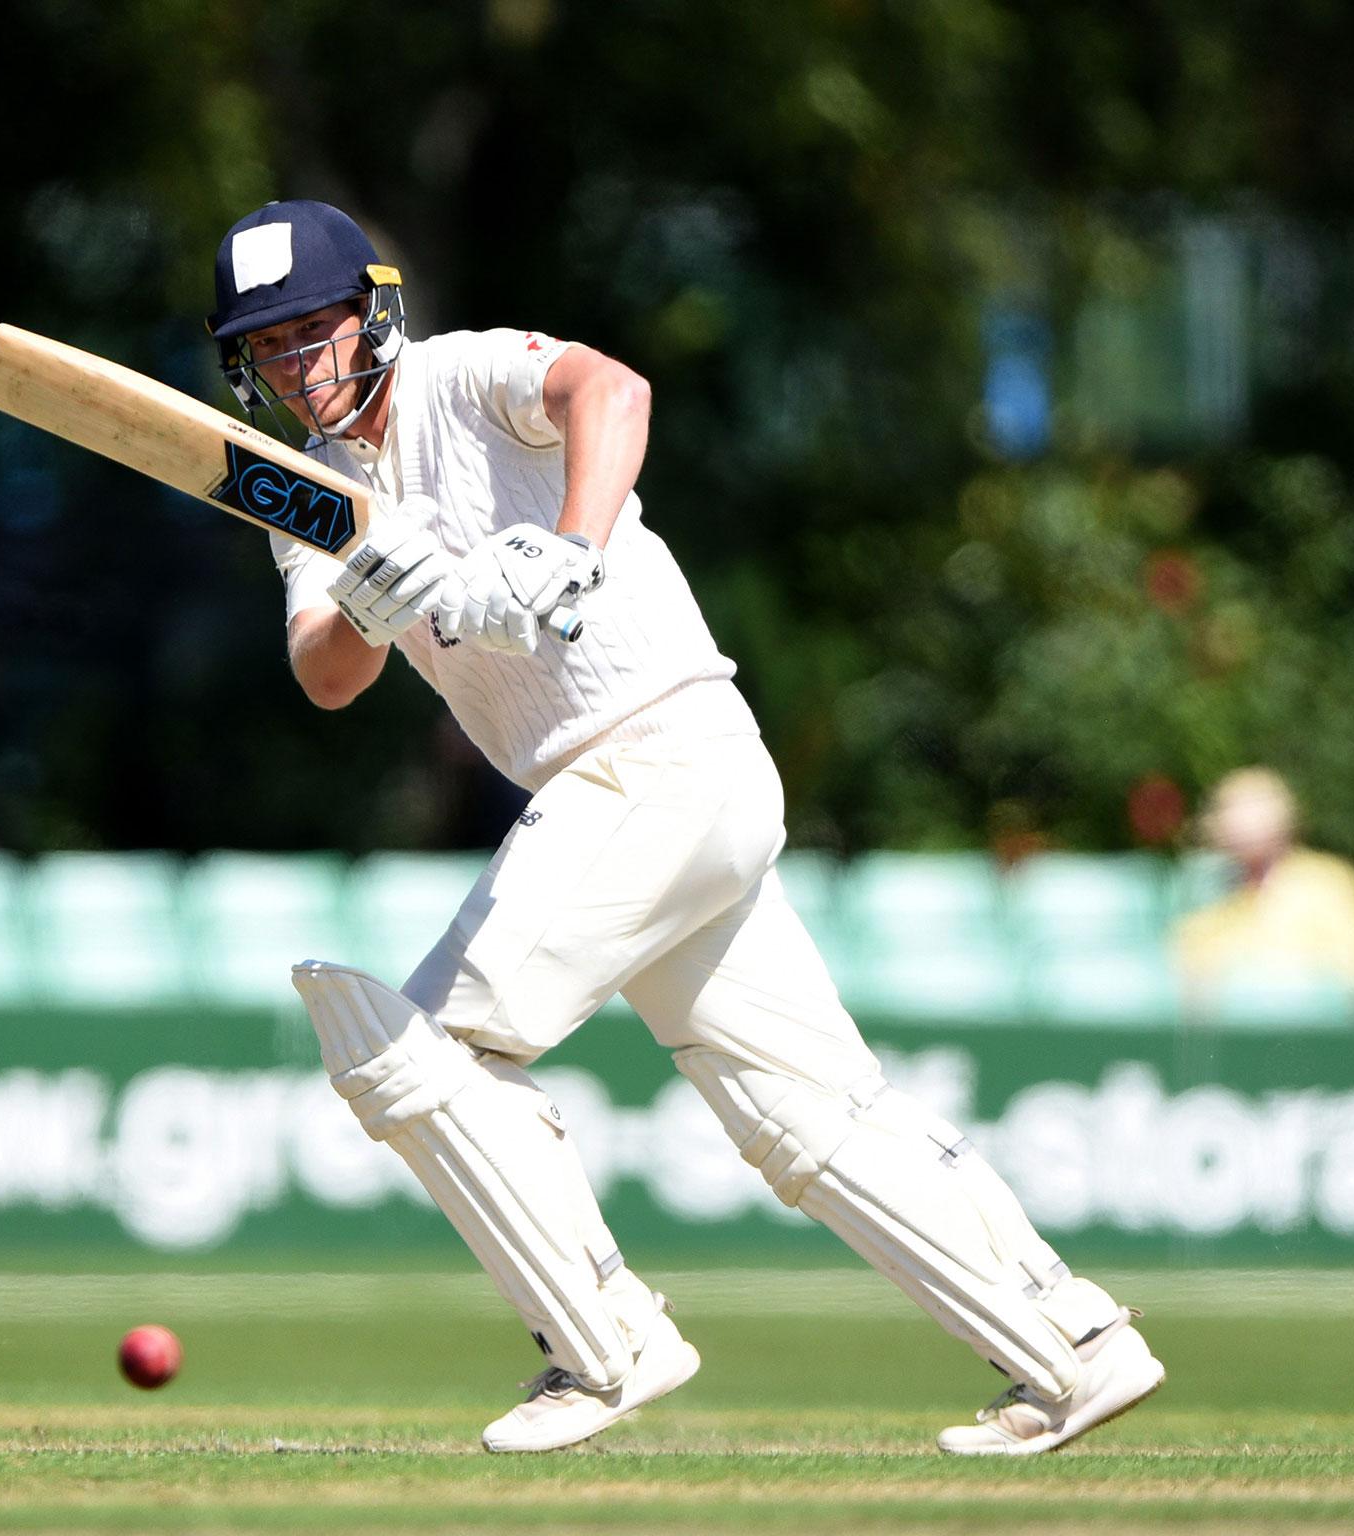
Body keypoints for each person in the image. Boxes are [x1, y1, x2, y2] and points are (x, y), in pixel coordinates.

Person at [208, 198, 1164, 1455]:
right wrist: (372, 603)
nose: (294, 369)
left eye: (310, 334)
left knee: (423, 1051)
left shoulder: (460, 375)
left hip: (657, 753)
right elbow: (324, 675)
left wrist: (566, 550)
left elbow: (613, 389)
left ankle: (605, 1346)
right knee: (804, 1115)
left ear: (371, 317)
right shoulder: (307, 490)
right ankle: (1070, 1346)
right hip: (628, 801)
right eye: (266, 351)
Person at [1176, 767, 1354, 1008]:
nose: (1241, 822)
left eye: (1253, 808)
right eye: (1229, 810)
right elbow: (1186, 976)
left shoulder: (1328, 883)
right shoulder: (1207, 892)